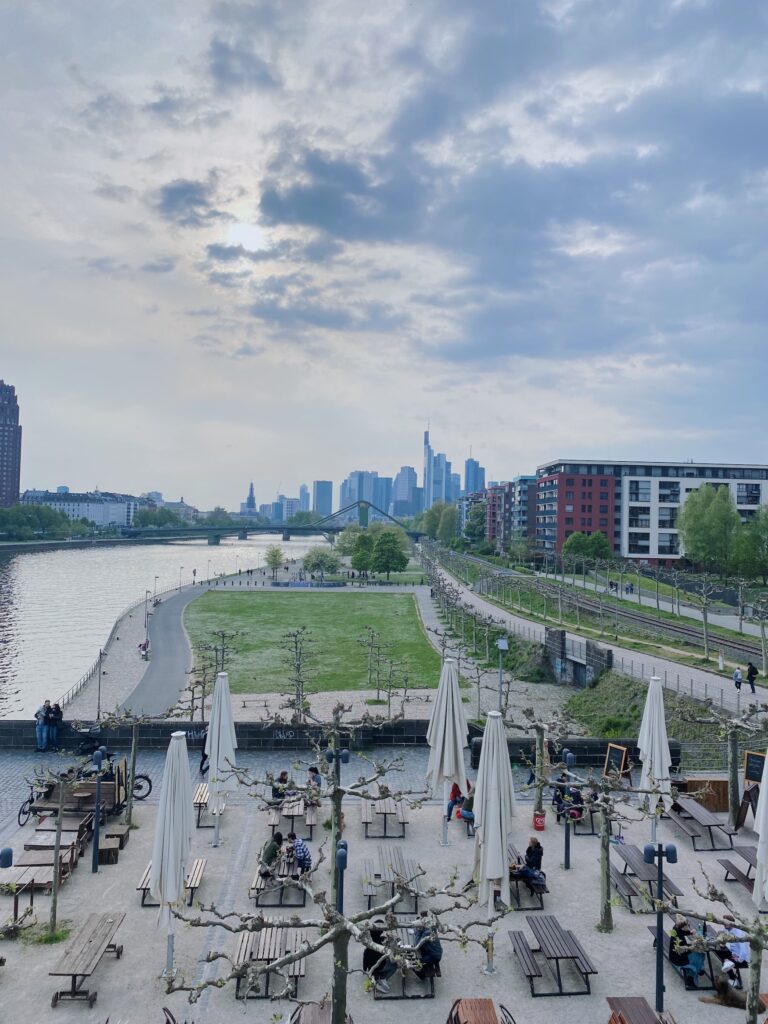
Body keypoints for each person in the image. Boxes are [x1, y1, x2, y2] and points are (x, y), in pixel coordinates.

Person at [669, 914, 706, 989]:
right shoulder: (679, 937)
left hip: (674, 954)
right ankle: (692, 976)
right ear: (683, 926)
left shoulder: (676, 928)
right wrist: (694, 947)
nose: (689, 926)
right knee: (700, 954)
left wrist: (690, 932)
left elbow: (682, 932)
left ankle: (700, 969)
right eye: (687, 925)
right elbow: (685, 950)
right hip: (678, 957)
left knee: (699, 953)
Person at [364, 917, 398, 994]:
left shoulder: (370, 937)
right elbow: (386, 953)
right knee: (394, 965)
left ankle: (379, 976)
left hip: (370, 966)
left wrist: (365, 968)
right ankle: (382, 977)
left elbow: (365, 953)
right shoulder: (379, 943)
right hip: (377, 966)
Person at [410, 913, 443, 980]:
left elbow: (417, 944)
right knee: (421, 950)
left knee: (414, 963)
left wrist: (418, 932)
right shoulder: (431, 927)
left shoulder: (426, 933)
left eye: (417, 927)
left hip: (433, 957)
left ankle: (422, 976)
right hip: (436, 952)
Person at [719, 914, 749, 985]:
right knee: (720, 951)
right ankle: (727, 962)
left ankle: (733, 979)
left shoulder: (739, 934)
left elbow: (744, 950)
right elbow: (720, 933)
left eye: (726, 923)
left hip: (742, 959)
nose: (724, 924)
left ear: (732, 923)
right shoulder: (726, 929)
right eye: (723, 922)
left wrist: (738, 959)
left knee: (724, 957)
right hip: (731, 953)